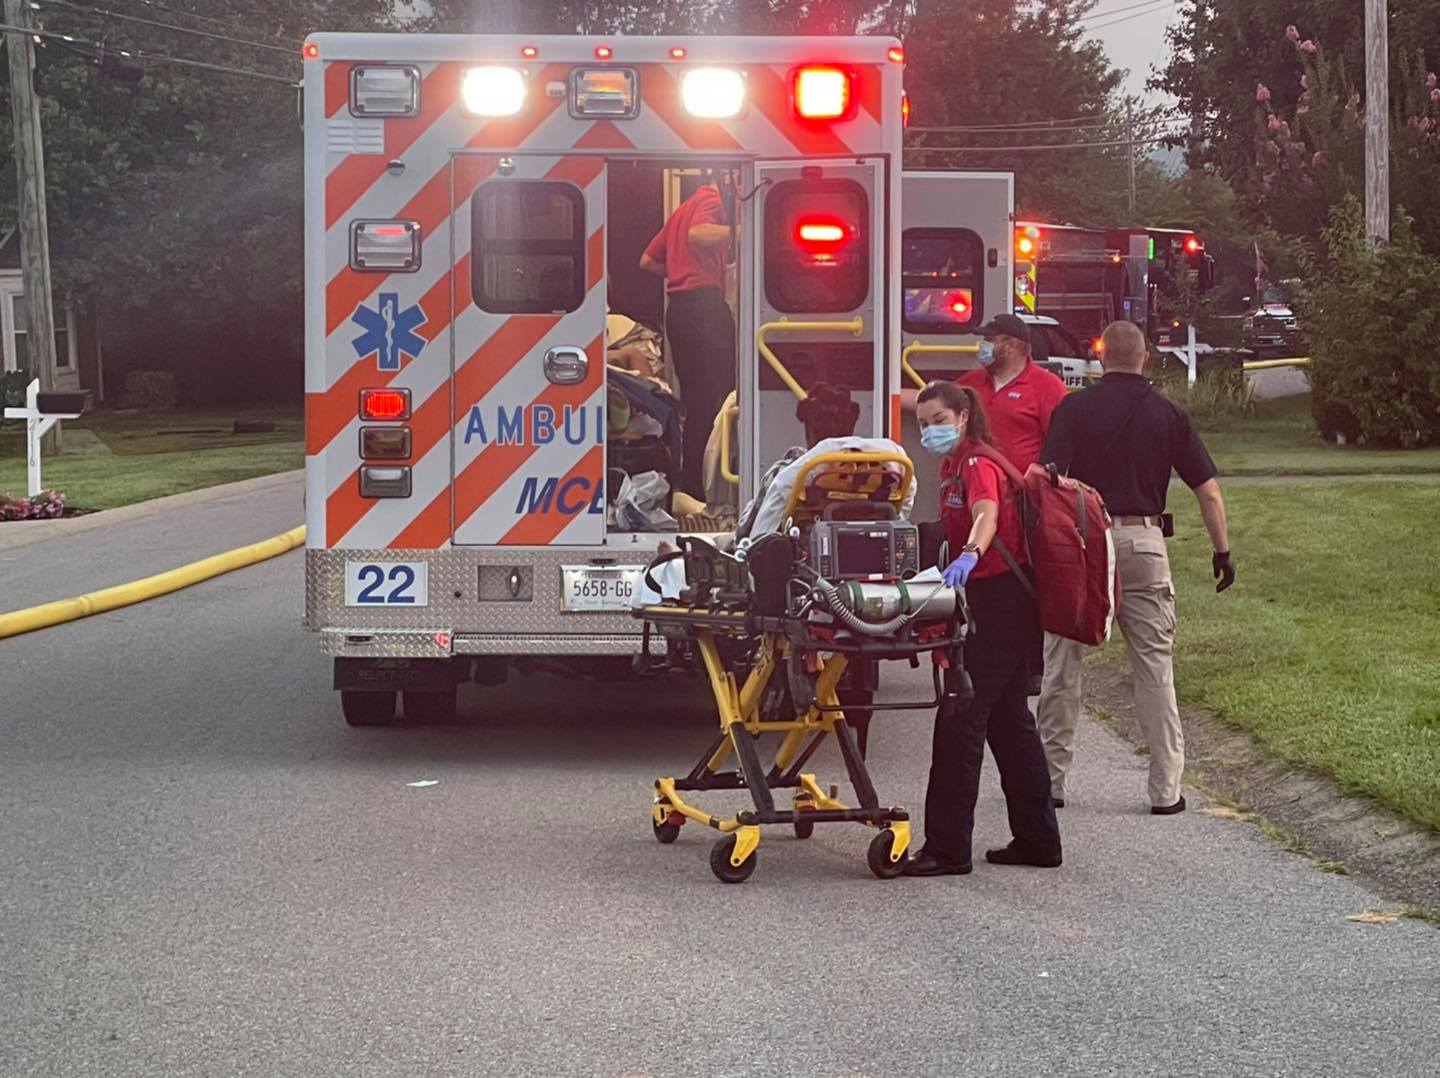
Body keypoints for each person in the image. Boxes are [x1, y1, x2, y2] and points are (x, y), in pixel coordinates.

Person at [1037, 320, 1235, 815]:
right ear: (1145, 357)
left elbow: (1046, 480)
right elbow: (1208, 491)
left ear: (1101, 356)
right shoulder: (1167, 413)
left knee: (1062, 664)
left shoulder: (1073, 408)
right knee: (1154, 667)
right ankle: (1166, 790)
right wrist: (1222, 551)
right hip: (1144, 541)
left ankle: (1050, 783)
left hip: (1084, 543)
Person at [903, 380, 1062, 877]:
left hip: (998, 602)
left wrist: (971, 553)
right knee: (1009, 722)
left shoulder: (976, 463)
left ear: (963, 417)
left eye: (939, 421)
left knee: (960, 719)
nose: (930, 431)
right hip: (1004, 602)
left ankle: (947, 848)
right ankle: (1038, 840)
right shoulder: (957, 464)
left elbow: (986, 513)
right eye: (923, 424)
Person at [640, 176, 735, 501]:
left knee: (696, 400)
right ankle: (709, 486)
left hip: (679, 310)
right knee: (719, 397)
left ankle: (691, 482)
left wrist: (682, 271)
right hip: (704, 307)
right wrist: (745, 230)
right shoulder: (713, 199)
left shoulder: (682, 209)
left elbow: (648, 261)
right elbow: (699, 233)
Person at [736, 383, 914, 542]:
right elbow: (903, 510)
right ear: (852, 425)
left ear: (809, 431)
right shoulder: (891, 462)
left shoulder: (792, 472)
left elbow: (758, 528)